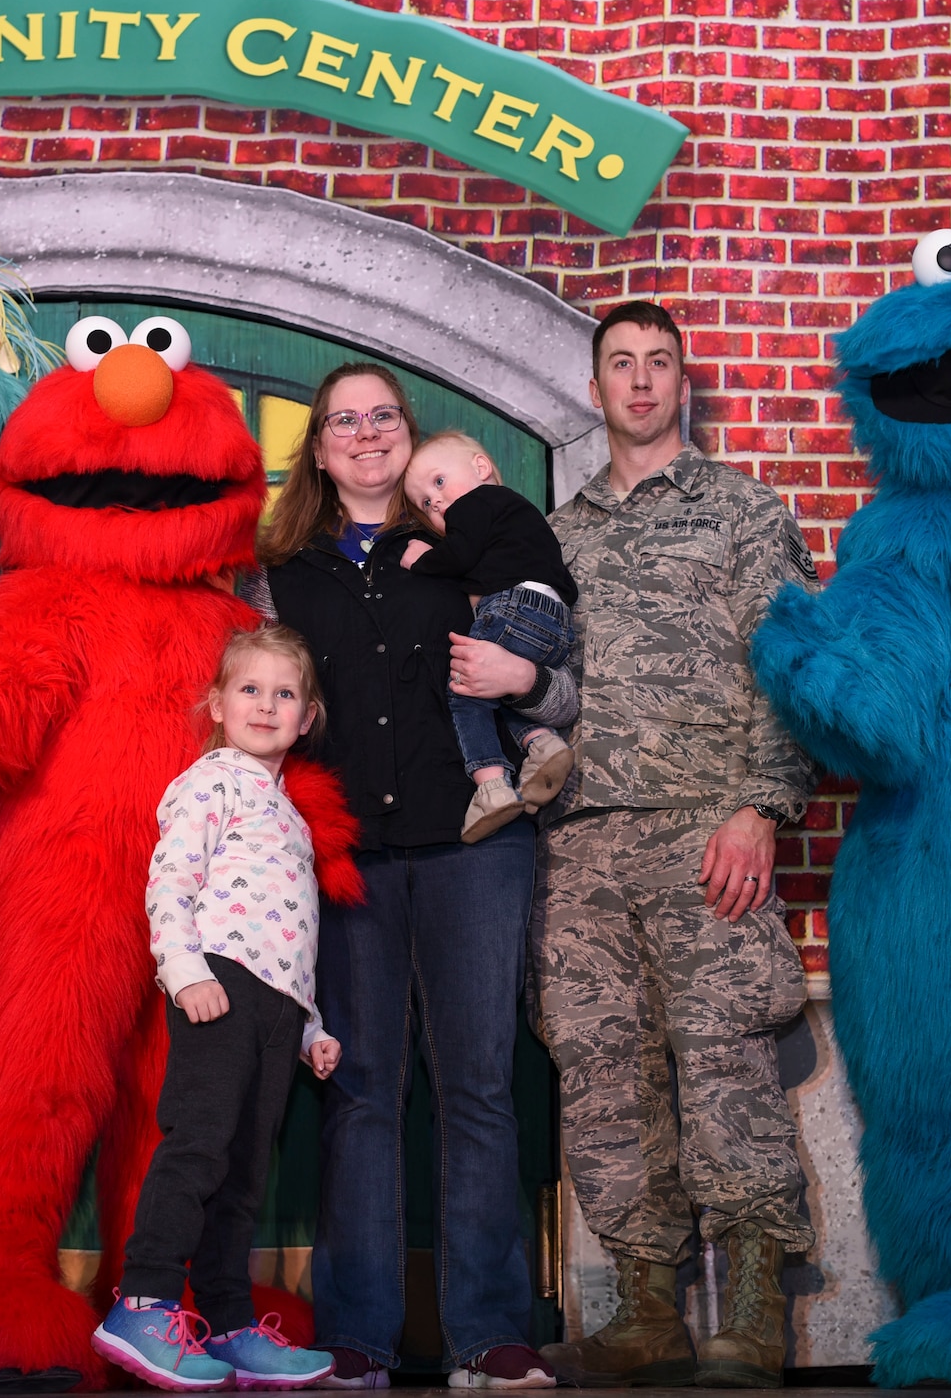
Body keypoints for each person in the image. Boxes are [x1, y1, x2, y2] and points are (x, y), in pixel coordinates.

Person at [244, 361, 569, 1391]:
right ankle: (356, 1340)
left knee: (477, 1087)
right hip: (344, 858)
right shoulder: (280, 567)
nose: (366, 432)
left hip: (474, 843)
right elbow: (248, 700)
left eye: (382, 415)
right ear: (318, 444)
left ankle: (490, 1335)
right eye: (343, 419)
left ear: (407, 431)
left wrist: (533, 683)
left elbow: (558, 680)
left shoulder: (467, 540)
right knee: (361, 1093)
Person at [535, 301, 820, 1389]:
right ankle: (645, 1306)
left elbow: (786, 667)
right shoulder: (555, 538)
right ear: (596, 386)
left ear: (679, 383)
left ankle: (751, 1314)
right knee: (598, 1068)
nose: (641, 381)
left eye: (659, 363)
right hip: (578, 846)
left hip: (706, 826)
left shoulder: (745, 513)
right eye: (621, 364)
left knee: (723, 1060)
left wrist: (759, 804)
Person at [94, 627, 343, 1393]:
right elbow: (169, 883)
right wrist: (182, 969)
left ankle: (229, 1324)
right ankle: (143, 1304)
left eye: (285, 693)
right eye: (249, 689)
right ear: (217, 705)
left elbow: (294, 938)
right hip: (217, 988)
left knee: (243, 1171)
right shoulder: (210, 782)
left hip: (275, 1009)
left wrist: (310, 1029)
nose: (266, 705)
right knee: (199, 1147)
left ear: (308, 718)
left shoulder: (293, 819)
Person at [400, 430, 578, 842]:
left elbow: (458, 556)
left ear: (480, 468)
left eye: (439, 482)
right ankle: (542, 743)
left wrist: (422, 560)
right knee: (499, 691)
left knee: (467, 688)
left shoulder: (475, 504)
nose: (436, 501)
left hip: (514, 605)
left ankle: (491, 786)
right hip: (554, 619)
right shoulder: (516, 515)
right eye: (425, 503)